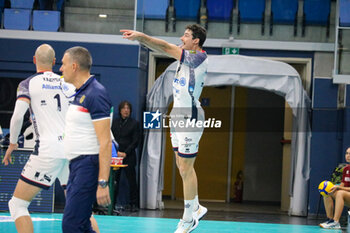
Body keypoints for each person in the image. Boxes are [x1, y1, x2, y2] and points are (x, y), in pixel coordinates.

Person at [121, 24, 208, 233]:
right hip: (177, 116)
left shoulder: (197, 57)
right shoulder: (184, 59)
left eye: (186, 35)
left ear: (196, 41)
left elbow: (165, 47)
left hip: (190, 117)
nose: (182, 38)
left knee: (186, 168)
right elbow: (166, 49)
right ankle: (196, 206)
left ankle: (188, 218)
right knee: (181, 165)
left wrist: (141, 37)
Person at [1, 44, 74, 233]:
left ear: (34, 60)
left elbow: (17, 116)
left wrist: (13, 143)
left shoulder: (27, 84)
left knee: (17, 205)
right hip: (71, 151)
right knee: (79, 208)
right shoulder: (67, 84)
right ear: (55, 62)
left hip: (47, 152)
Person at [60, 46, 112, 233]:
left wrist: (103, 182)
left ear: (74, 66)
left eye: (63, 64)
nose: (61, 68)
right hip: (76, 166)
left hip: (88, 166)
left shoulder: (95, 94)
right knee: (80, 225)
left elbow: (105, 142)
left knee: (72, 225)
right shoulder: (80, 93)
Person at [111, 100, 140, 212]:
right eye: (124, 108)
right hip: (116, 156)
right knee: (114, 180)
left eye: (128, 108)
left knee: (131, 181)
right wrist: (116, 152)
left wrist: (125, 153)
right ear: (120, 110)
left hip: (129, 156)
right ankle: (112, 204)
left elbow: (136, 141)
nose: (126, 110)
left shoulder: (134, 123)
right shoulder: (114, 123)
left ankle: (134, 204)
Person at [320, 147, 350, 229]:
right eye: (346, 153)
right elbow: (342, 186)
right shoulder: (346, 169)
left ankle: (336, 222)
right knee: (327, 191)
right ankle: (330, 219)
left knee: (340, 192)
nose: (348, 155)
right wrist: (334, 187)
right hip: (347, 196)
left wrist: (339, 188)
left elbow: (342, 189)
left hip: (346, 194)